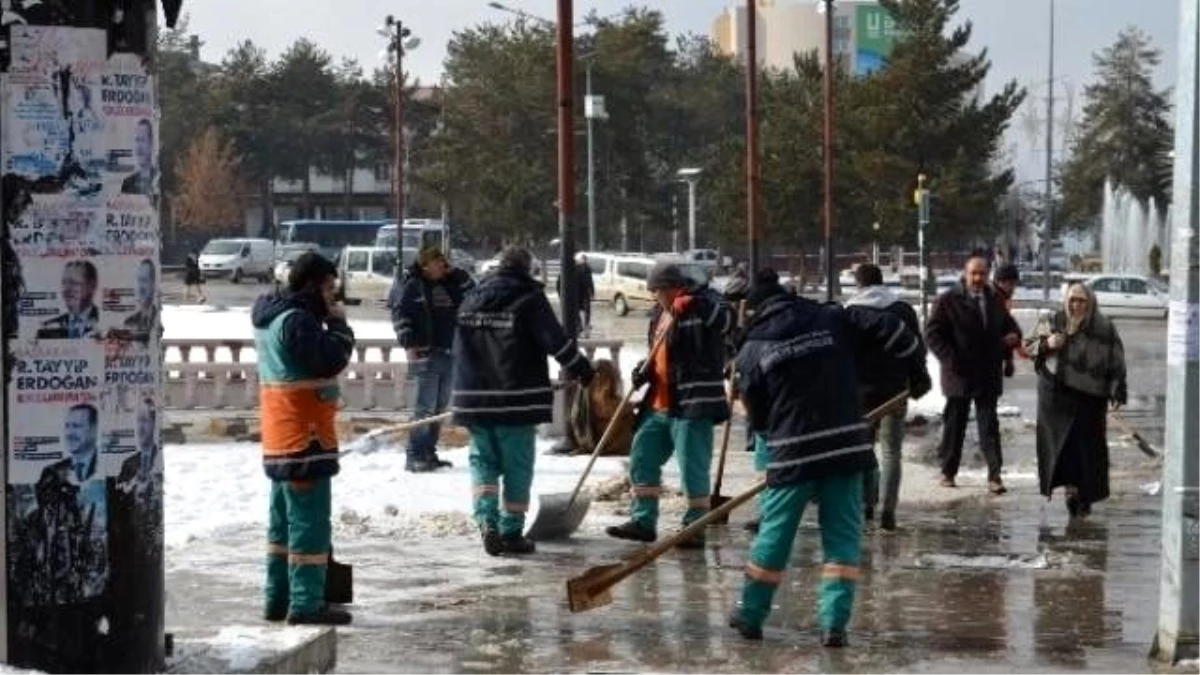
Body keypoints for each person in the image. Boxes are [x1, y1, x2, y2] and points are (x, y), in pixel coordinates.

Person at [728, 270, 929, 645]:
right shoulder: (833, 316)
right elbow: (894, 328)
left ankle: (751, 614)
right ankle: (834, 624)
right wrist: (914, 371)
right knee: (841, 539)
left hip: (793, 454)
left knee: (774, 535)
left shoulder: (752, 347)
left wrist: (775, 431)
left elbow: (757, 418)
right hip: (847, 446)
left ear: (755, 310)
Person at [451, 247, 595, 556]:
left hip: (474, 398)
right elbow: (555, 340)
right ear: (526, 269)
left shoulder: (472, 297)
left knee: (483, 464)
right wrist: (582, 370)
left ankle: (487, 521)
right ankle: (511, 532)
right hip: (514, 398)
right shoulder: (528, 297)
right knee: (517, 466)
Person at [252, 251, 355, 625]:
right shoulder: (297, 321)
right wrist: (340, 328)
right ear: (313, 285)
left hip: (281, 435)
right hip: (305, 438)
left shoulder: (270, 317)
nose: (332, 296)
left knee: (281, 525)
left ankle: (276, 599)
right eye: (329, 288)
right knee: (309, 526)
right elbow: (328, 359)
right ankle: (307, 603)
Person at [606, 262, 733, 547]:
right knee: (642, 458)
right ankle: (642, 521)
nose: (654, 297)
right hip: (659, 403)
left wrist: (697, 305)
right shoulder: (657, 315)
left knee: (692, 467)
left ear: (673, 287)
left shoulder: (704, 304)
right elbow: (659, 354)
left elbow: (727, 320)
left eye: (657, 291)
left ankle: (694, 527)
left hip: (693, 401)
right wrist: (644, 371)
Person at [1025, 283, 1126, 517]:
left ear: (1090, 303)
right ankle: (1071, 493)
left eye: (1081, 300)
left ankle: (1085, 493)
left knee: (1087, 448)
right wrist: (1046, 344)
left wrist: (1117, 389)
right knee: (1063, 449)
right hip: (1055, 398)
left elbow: (1116, 362)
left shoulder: (1104, 327)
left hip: (1090, 398)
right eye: (1071, 300)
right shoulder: (1052, 321)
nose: (1075, 305)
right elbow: (1028, 346)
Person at [925, 252, 1022, 494]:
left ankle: (995, 476)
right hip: (959, 374)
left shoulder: (995, 299)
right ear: (965, 274)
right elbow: (933, 334)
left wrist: (1013, 338)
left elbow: (1010, 326)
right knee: (955, 425)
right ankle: (948, 472)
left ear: (988, 275)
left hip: (987, 372)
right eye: (973, 273)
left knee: (989, 426)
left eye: (982, 274)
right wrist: (950, 359)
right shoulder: (948, 300)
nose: (978, 278)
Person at [845, 263, 926, 531]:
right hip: (895, 391)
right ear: (882, 282)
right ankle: (888, 512)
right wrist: (917, 378)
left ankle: (866, 504)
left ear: (859, 284)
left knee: (863, 450)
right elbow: (917, 349)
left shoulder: (850, 313)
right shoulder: (902, 310)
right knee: (892, 451)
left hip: (859, 395)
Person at [389, 247, 476, 473]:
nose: (443, 267)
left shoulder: (451, 282)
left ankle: (429, 452)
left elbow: (474, 297)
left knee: (439, 407)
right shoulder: (412, 285)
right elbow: (400, 314)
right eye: (438, 264)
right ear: (426, 265)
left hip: (451, 352)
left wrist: (458, 275)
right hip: (425, 353)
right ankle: (415, 454)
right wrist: (409, 343)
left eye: (444, 263)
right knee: (424, 407)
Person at [38, 260, 100, 339]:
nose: (66, 289)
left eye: (73, 283)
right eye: (64, 283)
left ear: (91, 286)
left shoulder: (107, 322)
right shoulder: (46, 329)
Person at [992, 263, 1026, 374]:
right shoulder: (993, 299)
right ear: (999, 282)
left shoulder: (1002, 297)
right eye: (1010, 284)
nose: (1013, 288)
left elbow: (1008, 325)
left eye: (1015, 284)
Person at [556, 252, 596, 333]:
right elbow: (559, 284)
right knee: (576, 311)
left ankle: (583, 325)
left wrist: (591, 292)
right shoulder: (575, 270)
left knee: (579, 311)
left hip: (578, 295)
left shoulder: (583, 269)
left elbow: (588, 282)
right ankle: (581, 326)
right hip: (577, 295)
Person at [123, 258, 158, 340]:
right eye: (138, 280)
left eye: (144, 280)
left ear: (153, 284)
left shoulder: (157, 317)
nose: (140, 287)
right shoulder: (129, 322)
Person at [121, 119, 156, 195]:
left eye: (142, 140)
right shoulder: (127, 183)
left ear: (151, 143)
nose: (139, 147)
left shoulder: (159, 178)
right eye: (137, 140)